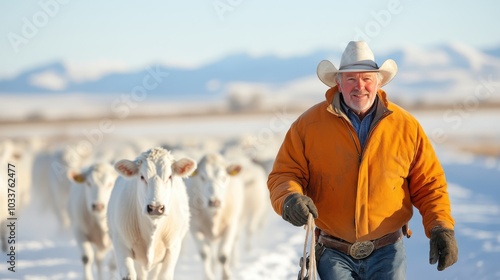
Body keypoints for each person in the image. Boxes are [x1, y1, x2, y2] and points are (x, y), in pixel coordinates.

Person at [267, 41, 458, 279]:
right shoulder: (308, 125)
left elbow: (430, 184)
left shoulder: (406, 126)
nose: (360, 86)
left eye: (367, 78)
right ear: (338, 82)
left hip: (388, 252)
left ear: (378, 82)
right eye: (350, 79)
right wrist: (289, 198)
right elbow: (285, 174)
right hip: (333, 252)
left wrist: (441, 228)